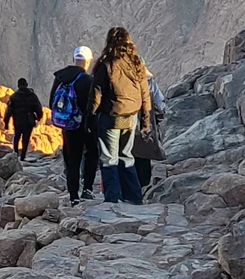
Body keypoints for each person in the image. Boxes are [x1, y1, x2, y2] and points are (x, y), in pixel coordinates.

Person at [90, 25, 151, 205]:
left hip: (111, 117)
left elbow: (96, 94)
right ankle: (133, 196)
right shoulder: (137, 63)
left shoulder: (106, 64)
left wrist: (90, 118)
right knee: (126, 156)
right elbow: (145, 94)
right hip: (131, 116)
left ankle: (112, 198)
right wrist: (145, 121)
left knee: (109, 158)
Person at [49, 45, 98, 205]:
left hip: (68, 126)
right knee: (91, 154)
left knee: (72, 159)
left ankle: (73, 196)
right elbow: (92, 106)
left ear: (74, 59)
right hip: (85, 125)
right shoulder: (87, 80)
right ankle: (87, 189)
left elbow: (52, 102)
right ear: (88, 61)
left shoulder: (60, 78)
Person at [133, 73, 167, 191]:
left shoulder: (119, 79)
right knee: (143, 157)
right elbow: (160, 105)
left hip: (125, 127)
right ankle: (142, 189)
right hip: (145, 128)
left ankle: (127, 191)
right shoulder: (149, 82)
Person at [4, 78, 43, 161]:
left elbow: (9, 111)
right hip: (29, 120)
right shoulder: (32, 95)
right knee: (26, 138)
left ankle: (15, 154)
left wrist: (6, 122)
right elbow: (38, 107)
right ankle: (23, 156)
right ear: (26, 84)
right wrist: (39, 117)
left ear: (18, 85)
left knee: (17, 136)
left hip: (17, 120)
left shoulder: (14, 97)